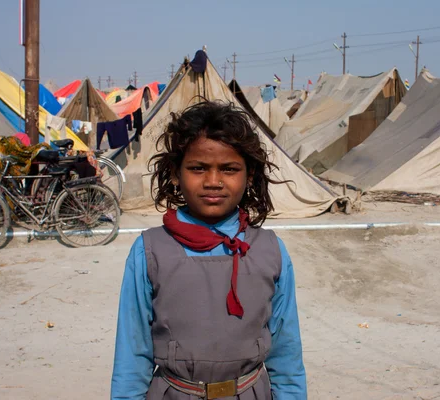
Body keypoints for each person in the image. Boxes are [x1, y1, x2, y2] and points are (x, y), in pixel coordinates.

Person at [111, 101, 307, 399]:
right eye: (198, 168)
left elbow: (286, 352)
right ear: (176, 173)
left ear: (249, 174)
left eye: (229, 169)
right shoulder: (150, 251)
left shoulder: (270, 251)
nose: (213, 182)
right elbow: (132, 352)